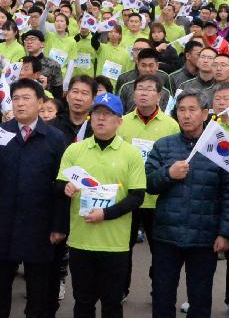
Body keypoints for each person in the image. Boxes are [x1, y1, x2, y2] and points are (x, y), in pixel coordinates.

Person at [0, 79, 68, 318]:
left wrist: (59, 225)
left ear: (40, 103)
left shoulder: (55, 138)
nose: (20, 104)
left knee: (37, 293)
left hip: (39, 224)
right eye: (15, 98)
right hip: (3, 223)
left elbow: (61, 186)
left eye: (26, 98)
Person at [146, 90, 229, 318]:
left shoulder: (221, 146)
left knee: (200, 299)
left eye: (192, 110)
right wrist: (168, 173)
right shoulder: (163, 146)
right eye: (181, 110)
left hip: (204, 238)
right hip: (167, 235)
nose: (186, 115)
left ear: (205, 113)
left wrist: (226, 233)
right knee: (162, 296)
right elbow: (148, 183)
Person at [58, 93, 146, 318]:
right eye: (96, 113)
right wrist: (65, 188)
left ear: (120, 121)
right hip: (81, 241)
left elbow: (137, 197)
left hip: (114, 244)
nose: (101, 119)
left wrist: (105, 214)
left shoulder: (131, 154)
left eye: (108, 115)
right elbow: (59, 184)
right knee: (83, 301)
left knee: (112, 303)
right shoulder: (75, 150)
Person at [117, 74, 180, 297]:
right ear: (133, 94)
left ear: (160, 95)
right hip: (128, 196)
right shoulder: (121, 122)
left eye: (149, 89)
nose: (144, 93)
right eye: (140, 89)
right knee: (123, 248)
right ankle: (121, 289)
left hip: (158, 199)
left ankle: (159, 291)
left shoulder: (172, 125)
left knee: (160, 251)